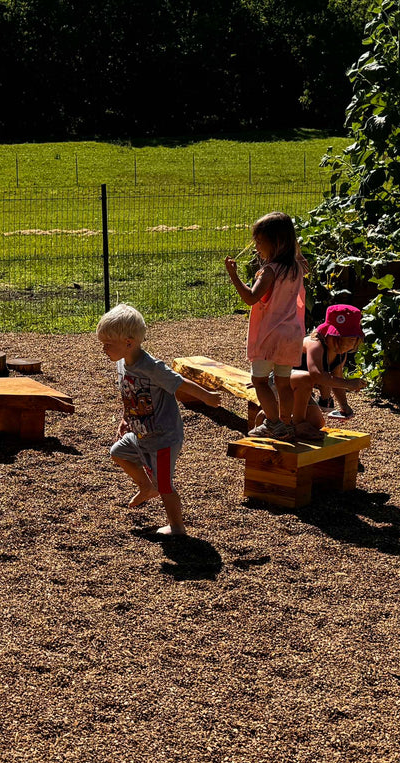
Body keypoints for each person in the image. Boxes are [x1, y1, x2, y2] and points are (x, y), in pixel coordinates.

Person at [98, 304, 222, 536]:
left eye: (107, 344)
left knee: (165, 485)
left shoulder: (152, 367)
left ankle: (177, 527)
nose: (103, 349)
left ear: (128, 342)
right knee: (117, 453)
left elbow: (179, 383)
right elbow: (130, 395)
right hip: (140, 433)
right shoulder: (122, 363)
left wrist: (207, 397)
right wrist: (125, 420)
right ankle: (146, 486)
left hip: (163, 437)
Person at [224, 212, 307, 442]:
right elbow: (297, 258)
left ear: (276, 242)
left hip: (271, 335)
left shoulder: (270, 271)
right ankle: (286, 424)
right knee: (283, 383)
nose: (256, 246)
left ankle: (273, 423)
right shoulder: (297, 268)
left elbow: (251, 298)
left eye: (259, 241)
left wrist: (234, 275)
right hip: (292, 335)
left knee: (260, 381)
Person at [252, 304, 369, 438]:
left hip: (301, 390)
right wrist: (349, 384)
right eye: (342, 339)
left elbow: (337, 377)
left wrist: (344, 406)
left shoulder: (341, 353)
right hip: (280, 384)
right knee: (306, 378)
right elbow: (317, 375)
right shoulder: (315, 344)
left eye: (352, 340)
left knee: (317, 423)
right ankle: (296, 423)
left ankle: (274, 417)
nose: (347, 345)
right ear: (328, 334)